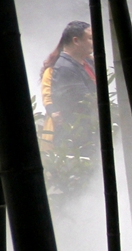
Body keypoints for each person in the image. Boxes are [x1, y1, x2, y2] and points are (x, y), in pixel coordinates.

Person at [39, 20, 98, 158]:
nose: (93, 42)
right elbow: (83, 101)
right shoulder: (64, 68)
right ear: (76, 41)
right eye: (90, 38)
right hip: (77, 135)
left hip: (90, 131)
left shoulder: (88, 62)